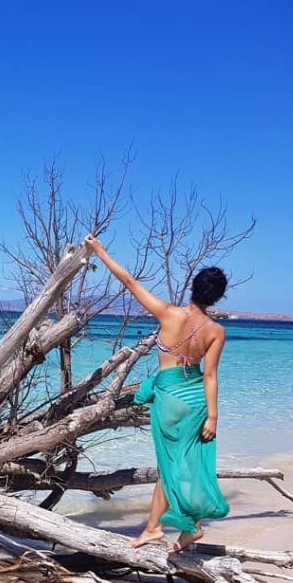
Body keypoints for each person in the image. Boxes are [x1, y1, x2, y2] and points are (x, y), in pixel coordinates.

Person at [84, 234, 230, 552]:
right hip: (196, 403)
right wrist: (214, 417)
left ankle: (155, 528)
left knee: (169, 466)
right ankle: (188, 527)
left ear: (192, 287)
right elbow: (210, 375)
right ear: (217, 298)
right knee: (186, 466)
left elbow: (128, 281)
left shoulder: (168, 313)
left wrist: (100, 251)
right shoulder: (216, 331)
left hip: (170, 398)